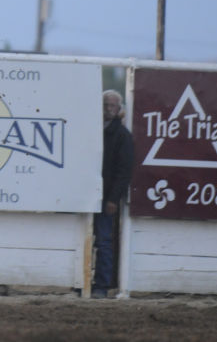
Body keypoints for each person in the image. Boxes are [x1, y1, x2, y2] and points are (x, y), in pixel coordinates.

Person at [93, 89, 134, 298]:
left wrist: (113, 199)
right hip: (88, 192)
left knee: (103, 240)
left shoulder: (122, 136)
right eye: (105, 105)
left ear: (119, 110)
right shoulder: (91, 130)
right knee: (85, 238)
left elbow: (124, 171)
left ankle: (102, 284)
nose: (108, 109)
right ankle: (82, 281)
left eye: (112, 106)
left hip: (106, 196)